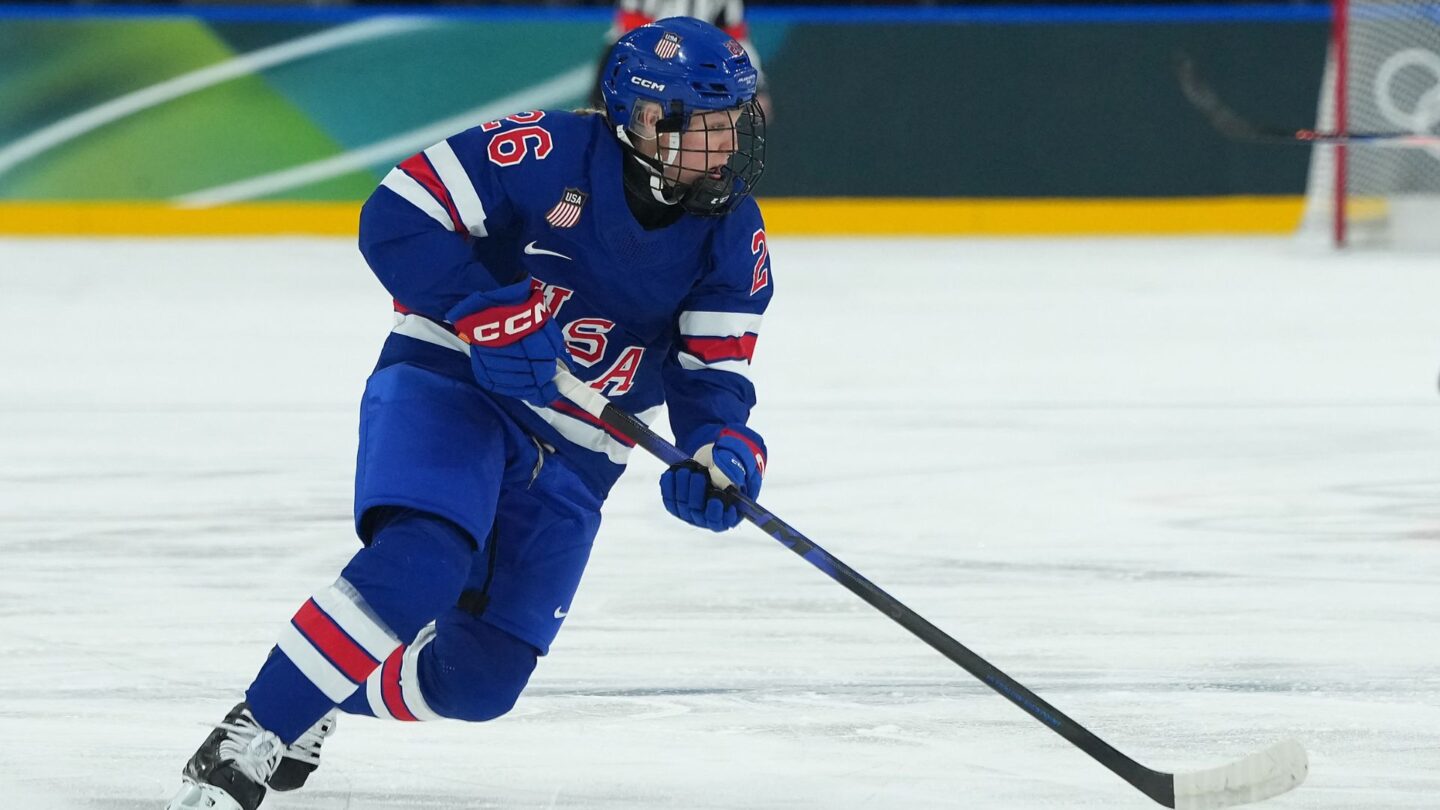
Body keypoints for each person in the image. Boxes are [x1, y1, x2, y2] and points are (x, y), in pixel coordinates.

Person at [165, 16, 772, 810]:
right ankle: (246, 740)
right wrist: (483, 309)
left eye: (732, 123)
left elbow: (710, 374)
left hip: (582, 448)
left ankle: (317, 690)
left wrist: (723, 448)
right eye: (704, 125)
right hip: (456, 380)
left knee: (479, 681)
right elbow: (396, 213)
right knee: (423, 558)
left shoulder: (734, 235)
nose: (725, 146)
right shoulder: (543, 151)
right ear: (642, 116)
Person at [590, 0, 772, 120]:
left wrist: (756, 87)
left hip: (693, 72)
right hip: (635, 64)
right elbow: (633, 33)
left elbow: (735, 42)